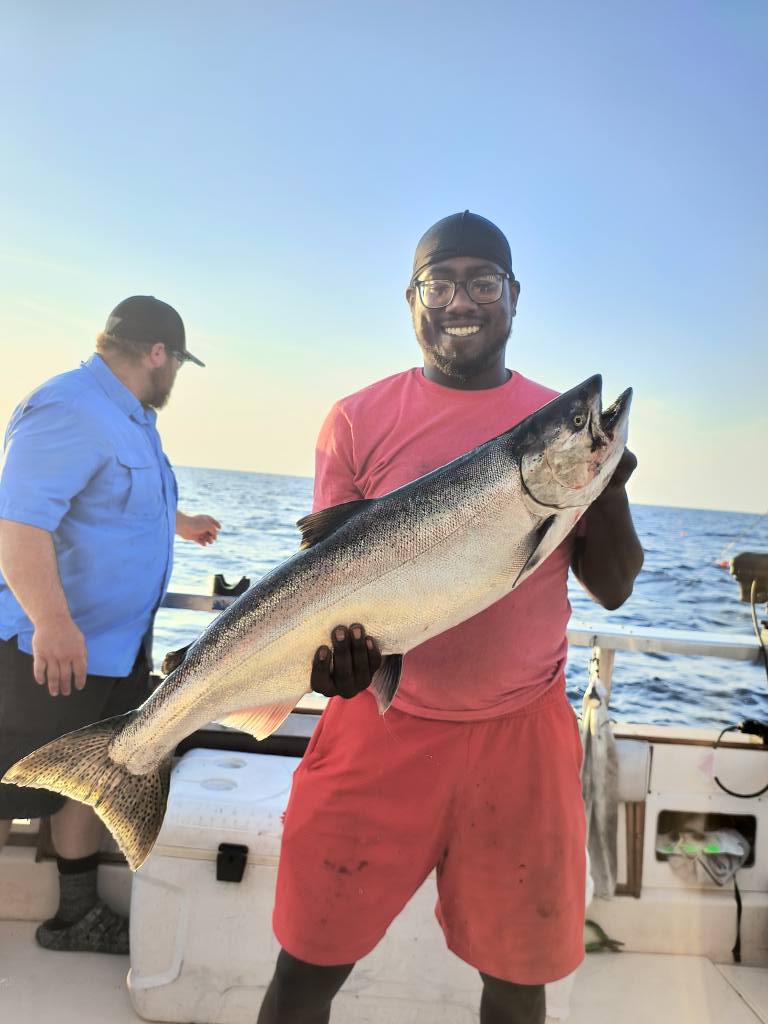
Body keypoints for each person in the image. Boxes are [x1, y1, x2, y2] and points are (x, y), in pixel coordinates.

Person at [257, 212, 644, 1024]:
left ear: (513, 297)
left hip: (521, 734)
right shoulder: (357, 418)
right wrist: (333, 668)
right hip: (379, 724)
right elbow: (326, 575)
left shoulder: (555, 419)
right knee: (306, 968)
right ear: (412, 298)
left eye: (482, 281)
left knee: (516, 980)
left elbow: (614, 587)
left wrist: (604, 487)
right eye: (441, 281)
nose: (460, 299)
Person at [0, 295, 221, 954]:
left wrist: (182, 525)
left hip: (116, 651)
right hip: (47, 650)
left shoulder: (131, 419)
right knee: (8, 780)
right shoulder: (69, 407)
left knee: (89, 778)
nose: (175, 376)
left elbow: (108, 499)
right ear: (159, 353)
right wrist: (53, 622)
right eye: (177, 362)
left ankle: (75, 916)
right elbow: (18, 525)